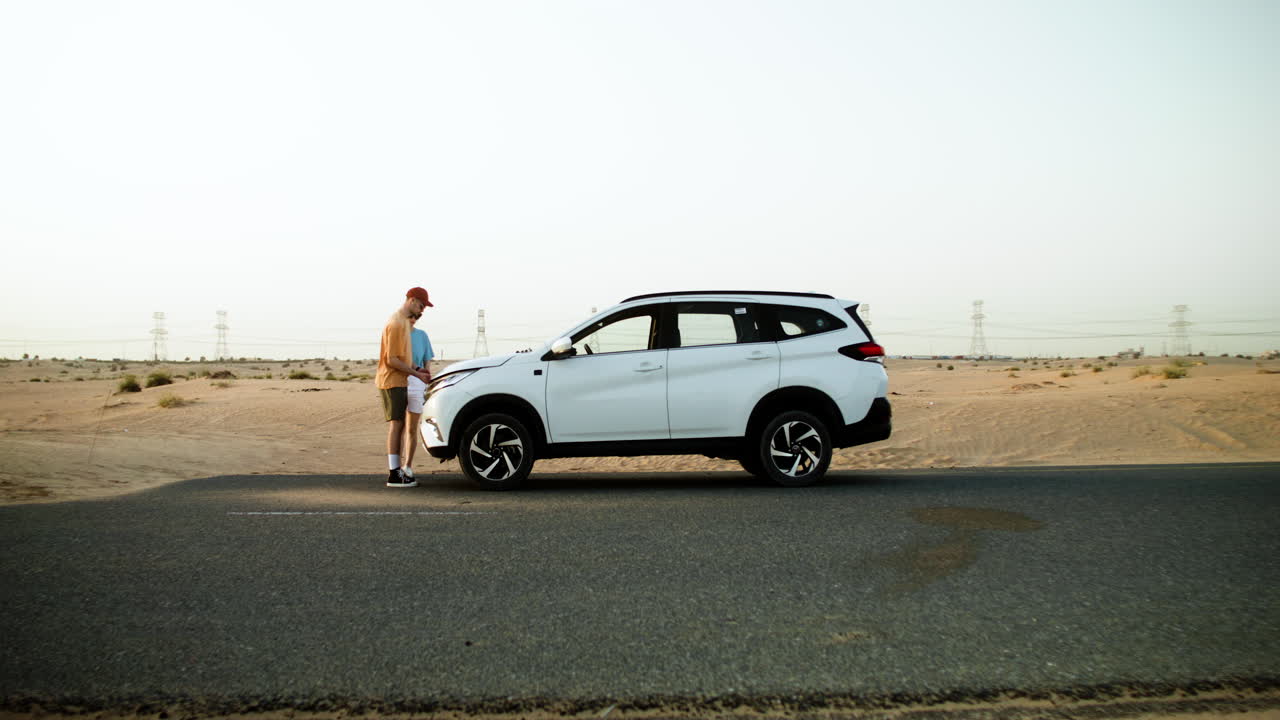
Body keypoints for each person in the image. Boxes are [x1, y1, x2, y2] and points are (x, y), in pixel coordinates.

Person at [377, 287, 432, 488]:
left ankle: (399, 471)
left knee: (401, 425)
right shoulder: (396, 323)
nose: (422, 310)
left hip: (400, 379)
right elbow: (391, 360)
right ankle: (394, 473)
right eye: (421, 305)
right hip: (392, 380)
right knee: (397, 425)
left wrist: (418, 369)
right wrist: (416, 374)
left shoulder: (402, 323)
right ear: (411, 300)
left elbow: (403, 358)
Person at [402, 309, 434, 480]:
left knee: (411, 428)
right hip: (399, 380)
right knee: (398, 427)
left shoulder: (422, 335)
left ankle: (407, 466)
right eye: (411, 316)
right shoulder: (397, 334)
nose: (414, 319)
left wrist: (426, 379)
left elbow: (427, 360)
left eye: (417, 316)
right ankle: (396, 467)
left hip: (418, 382)